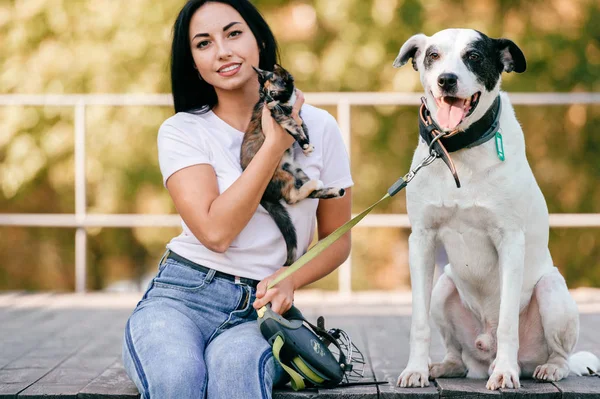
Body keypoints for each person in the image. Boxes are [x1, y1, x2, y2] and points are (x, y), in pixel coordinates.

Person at [121, 0, 353, 398]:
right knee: (178, 380)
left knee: (235, 377)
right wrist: (274, 144)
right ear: (193, 62)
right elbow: (215, 233)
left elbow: (338, 238)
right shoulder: (183, 131)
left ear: (259, 39)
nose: (223, 51)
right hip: (183, 297)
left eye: (233, 33)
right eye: (204, 43)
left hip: (261, 311)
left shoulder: (321, 126)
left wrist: (291, 278)